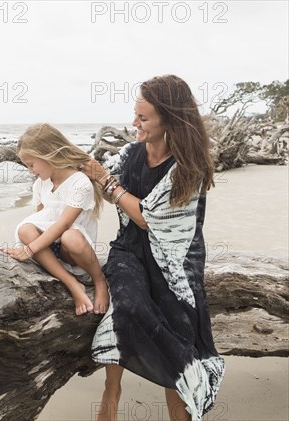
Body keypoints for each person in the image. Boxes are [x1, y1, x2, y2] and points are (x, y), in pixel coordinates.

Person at [83, 75, 225, 421]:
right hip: (130, 250)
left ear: (169, 119)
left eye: (143, 118)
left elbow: (149, 218)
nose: (134, 123)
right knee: (127, 306)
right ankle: (112, 390)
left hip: (176, 261)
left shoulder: (187, 166)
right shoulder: (131, 152)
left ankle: (182, 403)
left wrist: (108, 183)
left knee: (177, 323)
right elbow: (109, 190)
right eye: (135, 114)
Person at [0, 123, 109, 316]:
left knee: (69, 236)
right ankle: (72, 284)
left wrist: (29, 249)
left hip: (73, 251)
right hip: (51, 251)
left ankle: (99, 281)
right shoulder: (41, 185)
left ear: (48, 154)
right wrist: (26, 245)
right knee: (25, 229)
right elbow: (40, 220)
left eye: (31, 164)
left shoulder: (79, 182)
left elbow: (63, 224)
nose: (31, 171)